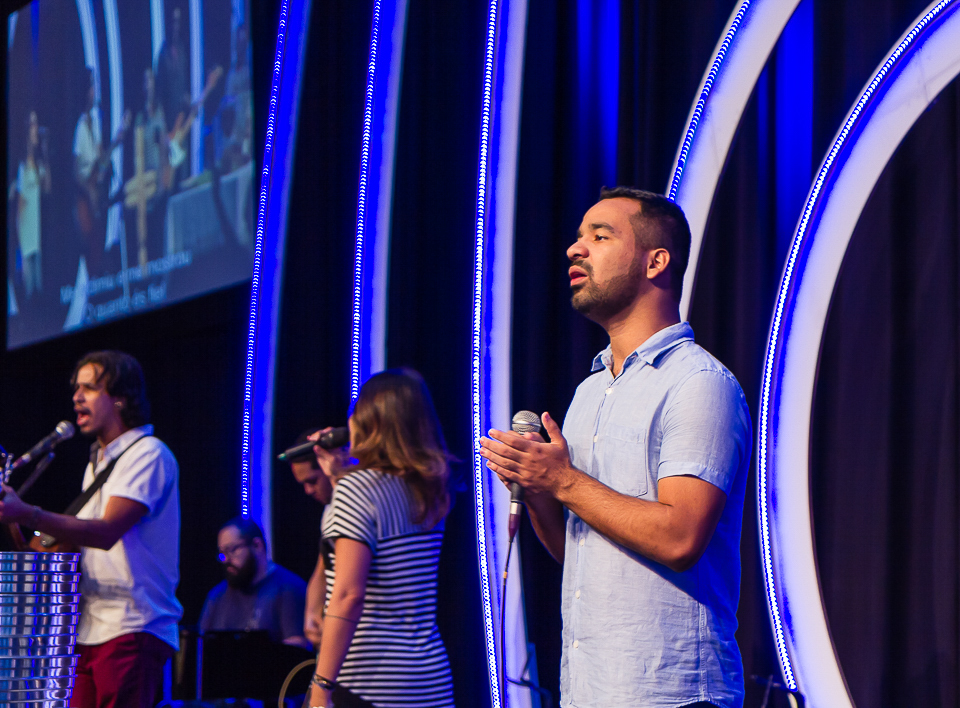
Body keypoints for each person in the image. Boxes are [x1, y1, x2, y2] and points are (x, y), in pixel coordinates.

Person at [480, 188, 751, 708]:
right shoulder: (590, 391)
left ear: (656, 262)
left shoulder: (698, 383)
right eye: (579, 236)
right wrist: (538, 490)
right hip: (589, 689)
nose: (575, 249)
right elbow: (580, 553)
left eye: (600, 236)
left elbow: (680, 538)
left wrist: (563, 480)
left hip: (671, 695)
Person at [0, 350, 181, 708]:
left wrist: (28, 513)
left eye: (90, 388)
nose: (76, 397)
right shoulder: (97, 464)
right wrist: (12, 519)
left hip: (132, 625)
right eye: (76, 388)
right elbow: (63, 545)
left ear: (121, 398)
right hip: (90, 629)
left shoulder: (148, 453)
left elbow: (105, 532)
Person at [305, 369, 455, 708]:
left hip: (369, 683)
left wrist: (321, 686)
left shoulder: (357, 489)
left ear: (368, 421)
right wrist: (339, 479)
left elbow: (348, 594)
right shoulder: (431, 489)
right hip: (428, 681)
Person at [200, 517, 309, 649]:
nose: (226, 560)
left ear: (257, 545)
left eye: (232, 550)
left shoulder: (290, 589)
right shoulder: (216, 596)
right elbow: (201, 646)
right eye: (222, 553)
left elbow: (297, 647)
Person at [283, 428, 334, 647]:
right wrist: (312, 612)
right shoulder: (329, 511)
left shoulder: (350, 505)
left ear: (327, 464)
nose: (308, 491)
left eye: (312, 481)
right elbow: (323, 565)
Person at [8, 110, 51, 299]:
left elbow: (47, 187)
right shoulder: (20, 165)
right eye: (33, 124)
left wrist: (46, 153)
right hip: (25, 241)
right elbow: (18, 202)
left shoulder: (38, 163)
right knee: (28, 291)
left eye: (37, 123)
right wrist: (18, 239)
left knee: (39, 290)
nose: (37, 128)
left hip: (37, 237)